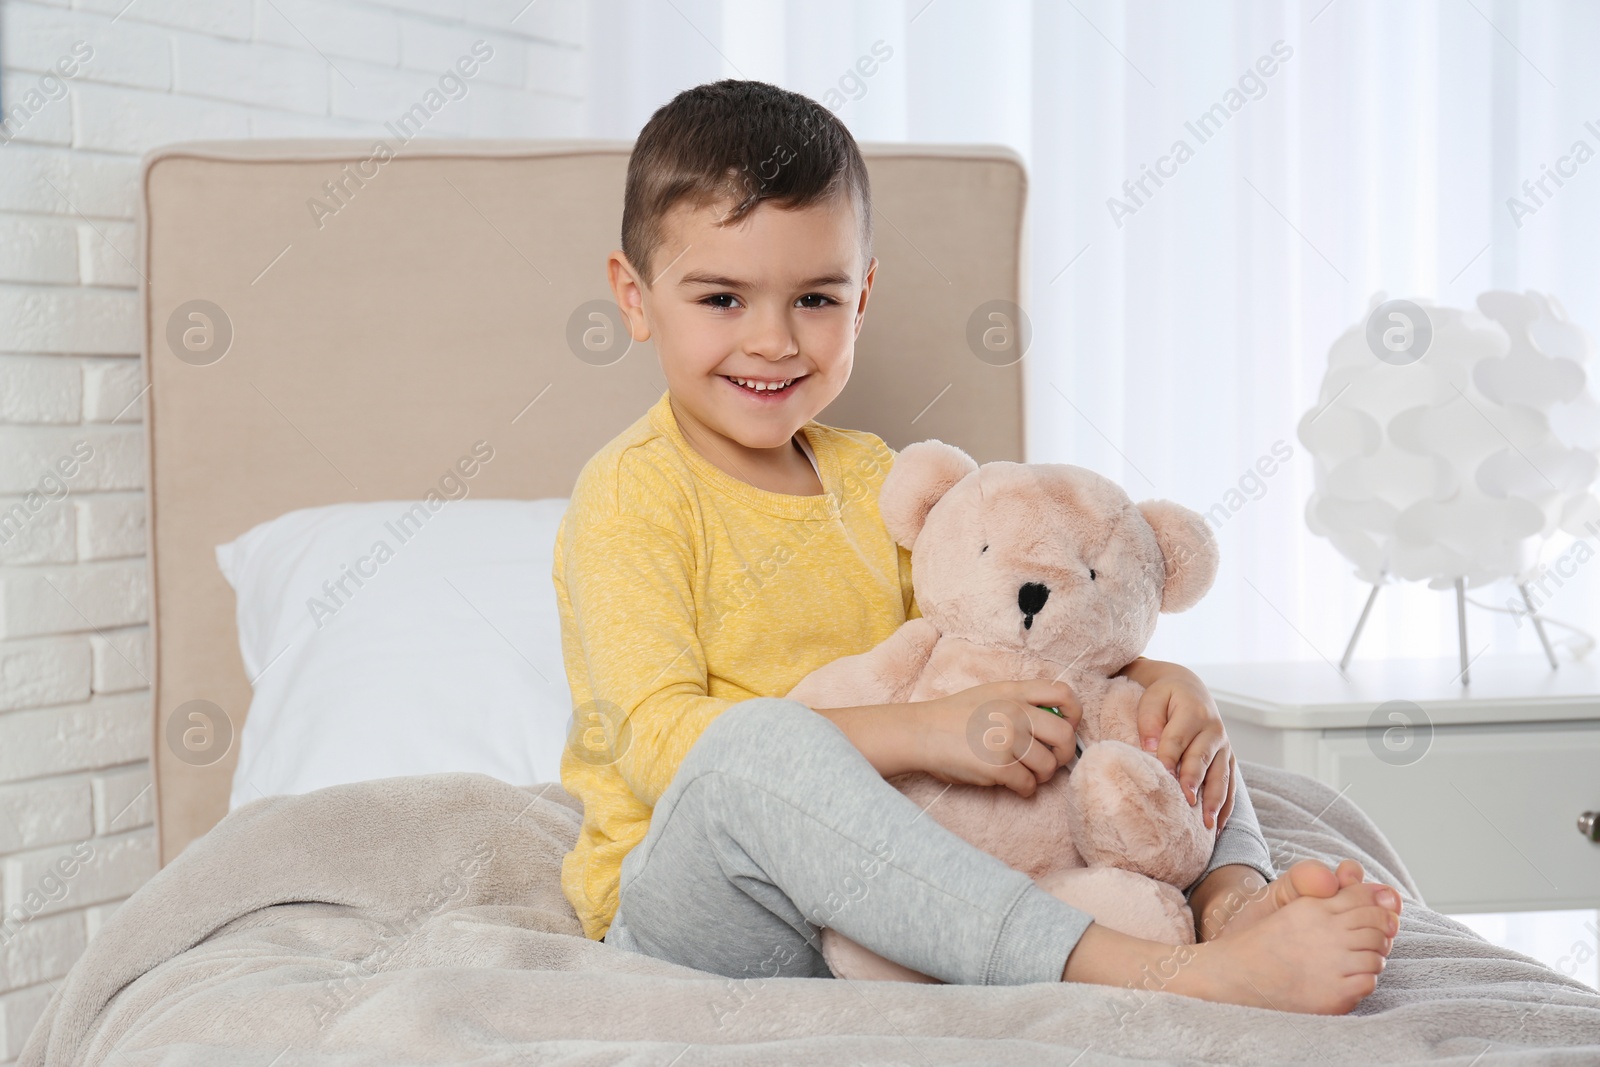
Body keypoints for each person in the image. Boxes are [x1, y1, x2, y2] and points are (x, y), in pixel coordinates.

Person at [554, 78, 1402, 1014]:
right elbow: (663, 750)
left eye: (815, 298)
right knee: (755, 746)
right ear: (634, 299)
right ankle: (1172, 972)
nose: (773, 340)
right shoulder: (634, 493)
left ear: (863, 295)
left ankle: (1229, 896)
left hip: (898, 892)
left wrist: (1162, 676)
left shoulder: (882, 479)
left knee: (1130, 701)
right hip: (717, 908)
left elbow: (1008, 631)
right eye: (721, 297)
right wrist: (926, 732)